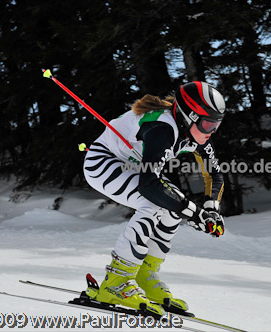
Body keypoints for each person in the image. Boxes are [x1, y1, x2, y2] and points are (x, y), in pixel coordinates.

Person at [83, 81, 226, 316]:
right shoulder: (163, 129)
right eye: (208, 124)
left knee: (171, 204)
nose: (212, 131)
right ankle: (116, 282)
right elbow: (149, 186)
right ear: (189, 116)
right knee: (155, 202)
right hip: (103, 162)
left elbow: (214, 173)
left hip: (132, 164)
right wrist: (192, 212)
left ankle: (144, 275)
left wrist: (211, 210)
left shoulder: (196, 132)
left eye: (216, 125)